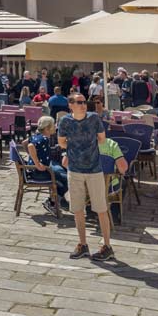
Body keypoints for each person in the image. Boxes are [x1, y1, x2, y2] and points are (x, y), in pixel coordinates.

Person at [57, 92, 112, 261]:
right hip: (75, 170)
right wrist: (75, 150)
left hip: (94, 169)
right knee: (78, 209)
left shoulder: (94, 118)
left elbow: (102, 139)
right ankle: (83, 244)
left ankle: (107, 246)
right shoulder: (65, 121)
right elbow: (61, 142)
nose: (83, 104)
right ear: (71, 105)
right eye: (79, 102)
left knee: (101, 209)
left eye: (84, 102)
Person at [27, 116, 68, 215]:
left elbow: (26, 142)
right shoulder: (44, 139)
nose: (55, 127)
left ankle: (53, 201)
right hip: (39, 173)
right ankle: (52, 202)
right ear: (47, 128)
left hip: (39, 170)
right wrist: (36, 163)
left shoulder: (36, 135)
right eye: (53, 125)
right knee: (67, 180)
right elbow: (30, 146)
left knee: (63, 176)